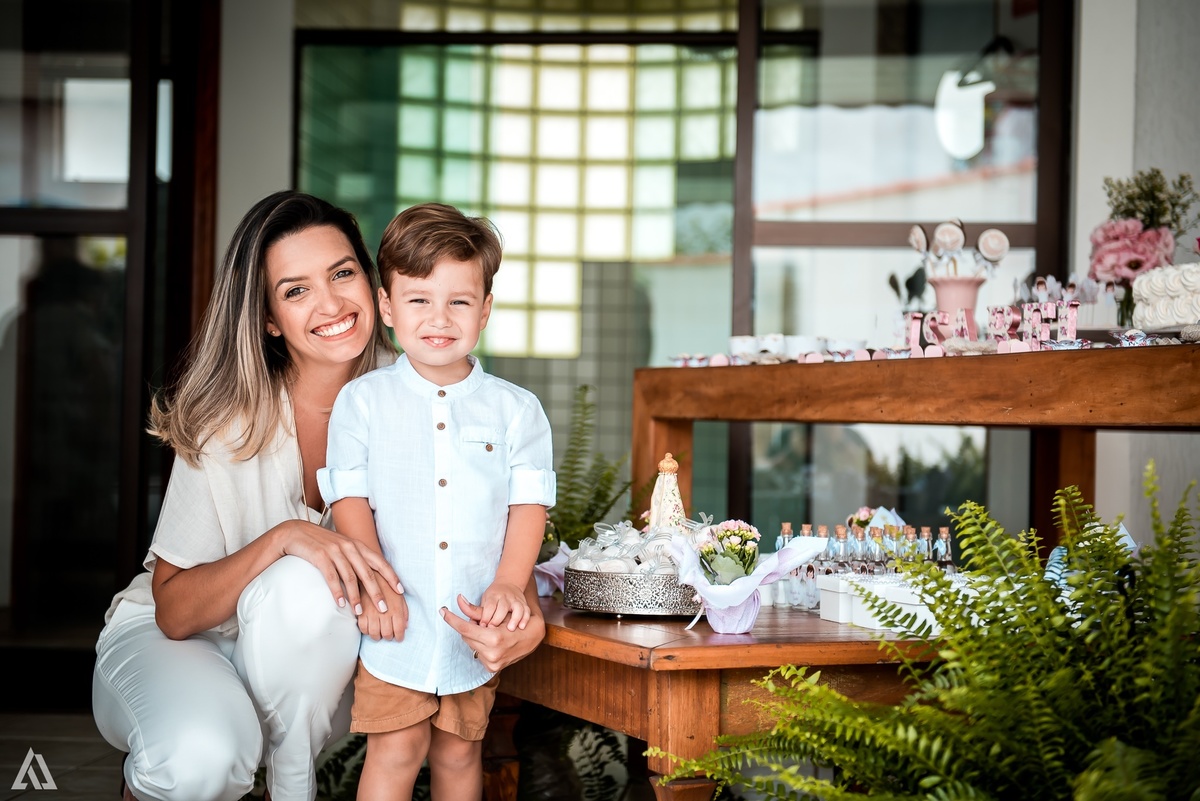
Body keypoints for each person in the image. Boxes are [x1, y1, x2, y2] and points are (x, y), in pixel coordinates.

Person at [91, 191, 546, 801]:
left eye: (341, 273)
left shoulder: (432, 386)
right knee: (202, 757)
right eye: (296, 289)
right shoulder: (228, 422)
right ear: (270, 318)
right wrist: (285, 539)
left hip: (318, 654)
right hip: (185, 641)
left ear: (373, 286)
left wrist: (525, 614)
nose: (331, 303)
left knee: (323, 607)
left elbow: (496, 529)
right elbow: (174, 611)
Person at [318, 202, 556, 801]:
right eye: (419, 299)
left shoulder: (516, 409)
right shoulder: (362, 401)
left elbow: (527, 505)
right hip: (396, 618)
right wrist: (376, 585)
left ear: (486, 309)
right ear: (387, 306)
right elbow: (349, 497)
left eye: (459, 300)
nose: (439, 317)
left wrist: (508, 583)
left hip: (473, 621)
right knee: (396, 749)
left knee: (459, 751)